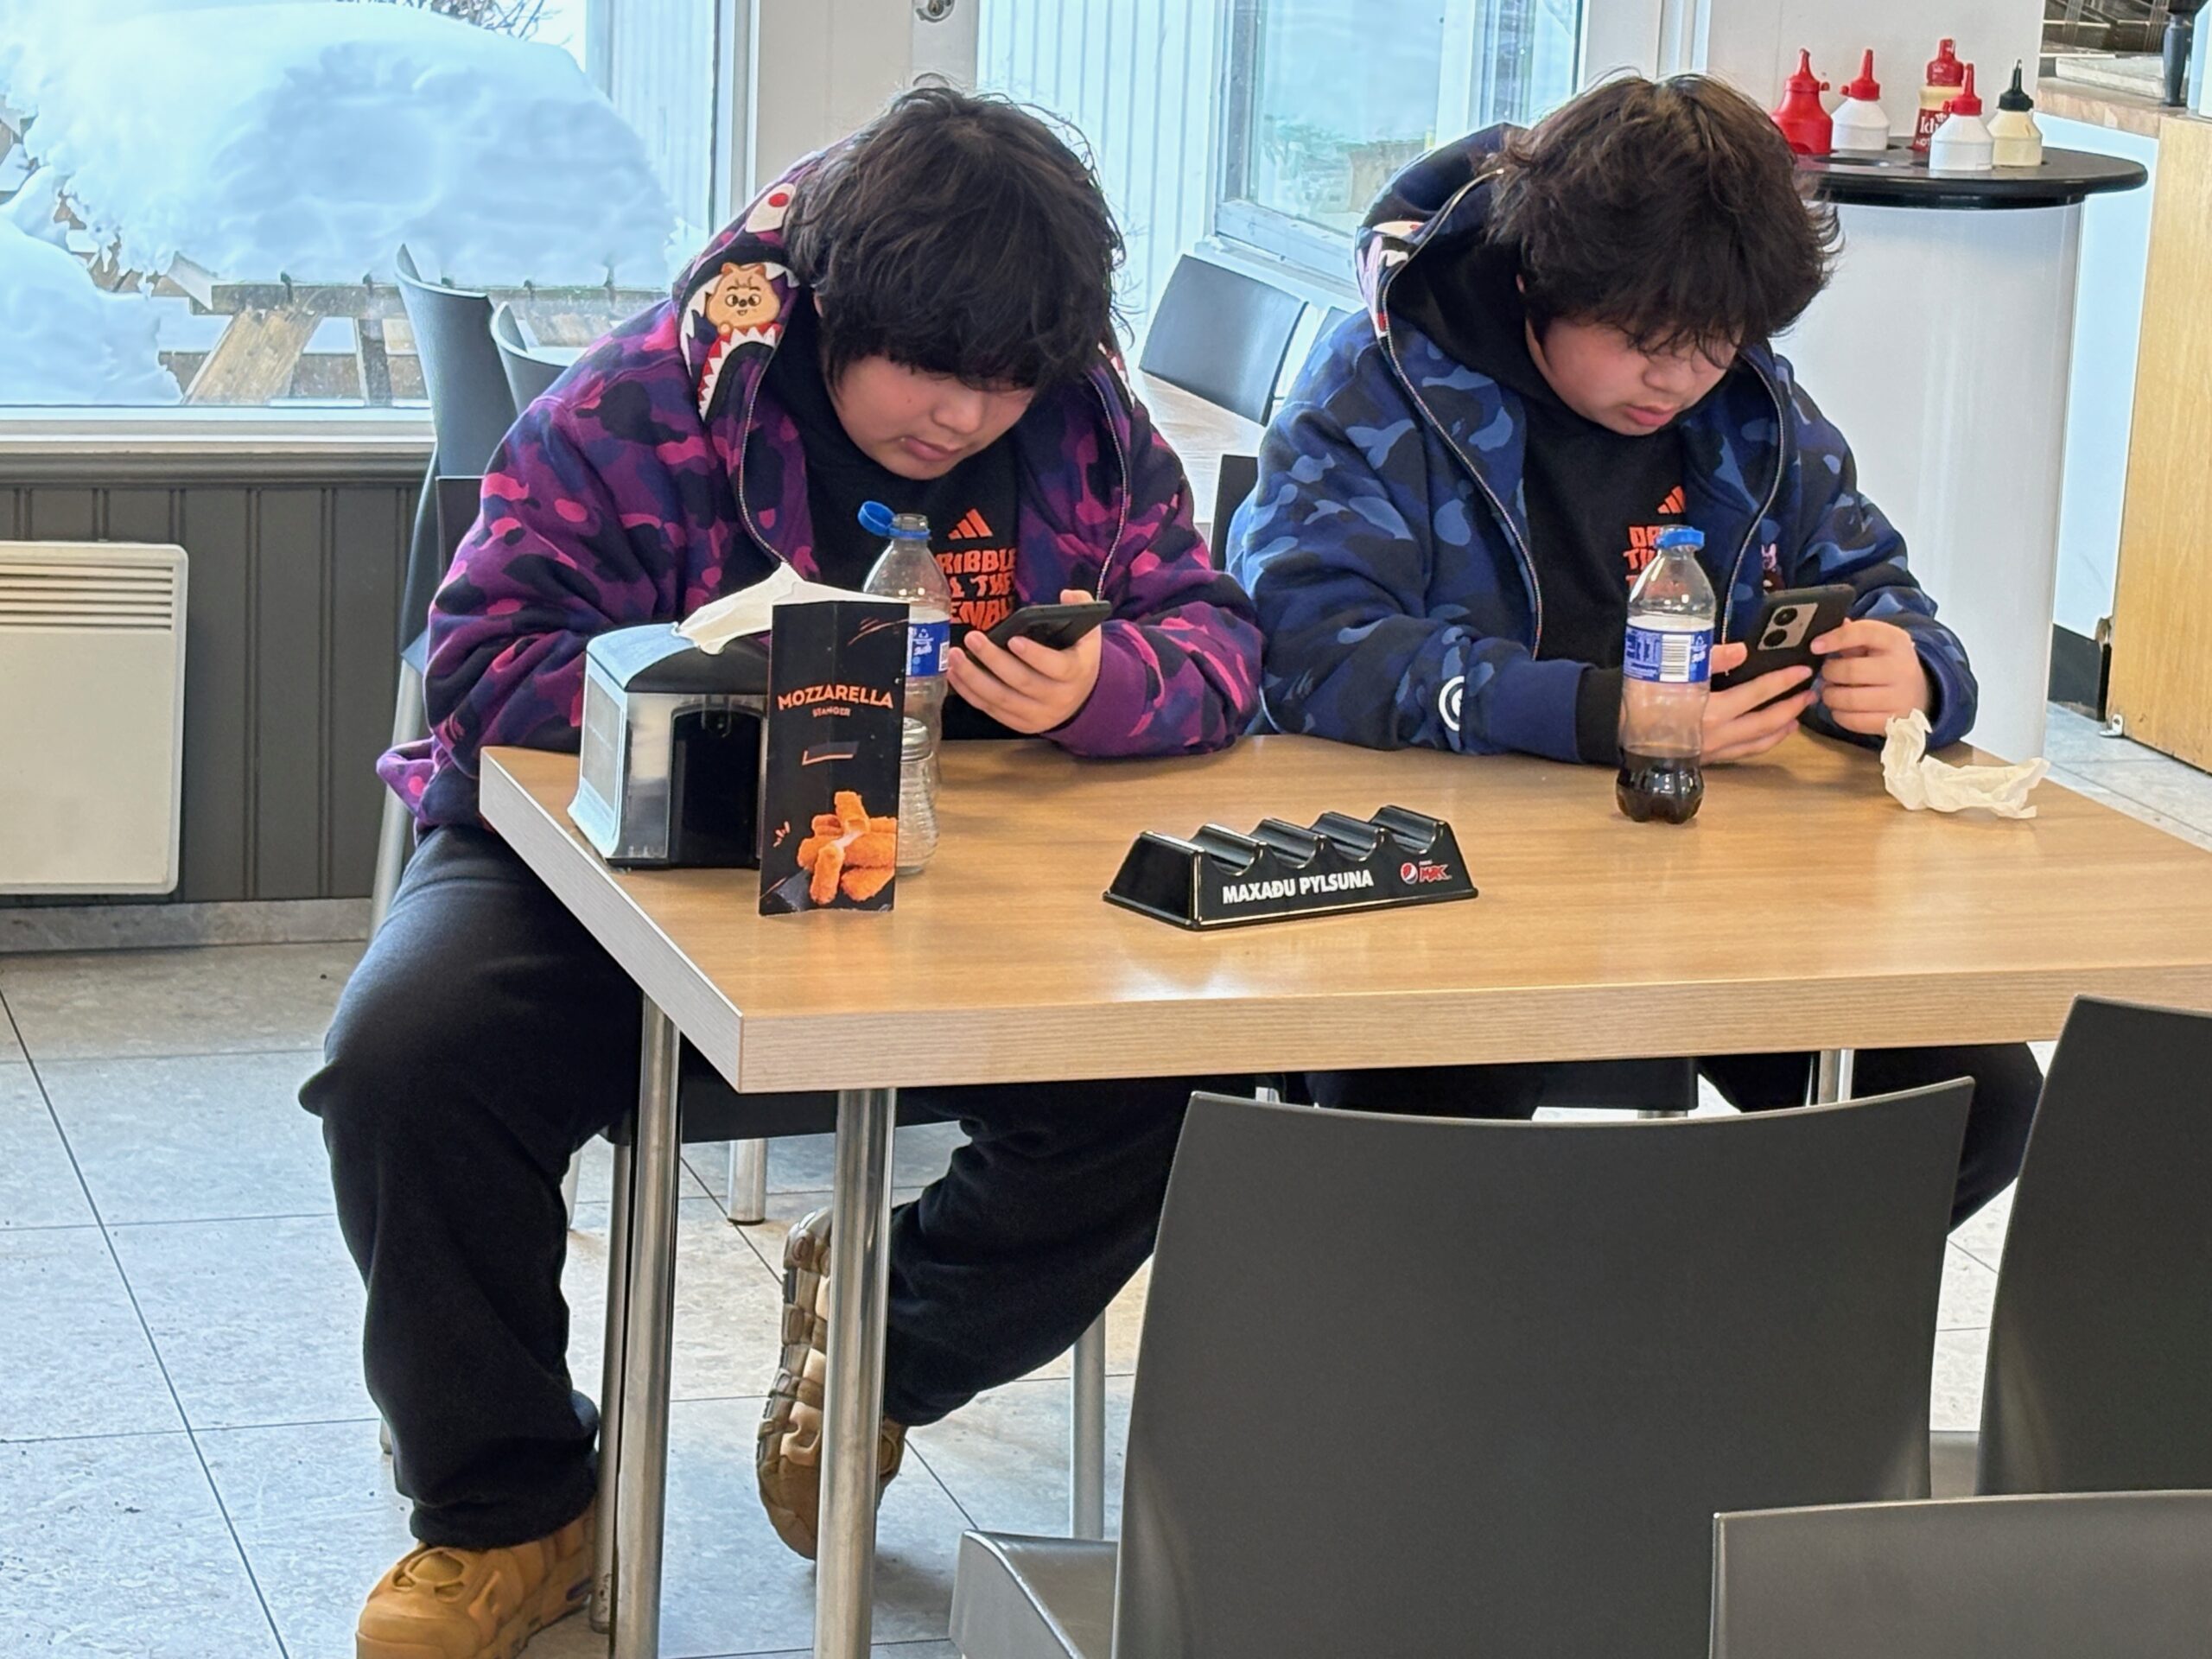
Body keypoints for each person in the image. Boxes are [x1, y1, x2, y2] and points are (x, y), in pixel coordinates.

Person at [305, 87, 1259, 1659]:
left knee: (1182, 1083)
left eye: (1005, 385)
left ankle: (881, 1342)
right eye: (929, 369)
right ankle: (509, 1507)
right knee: (406, 1065)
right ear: (833, 306)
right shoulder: (648, 402)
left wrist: (1112, 685)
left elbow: (1219, 634)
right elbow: (478, 658)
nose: (962, 418)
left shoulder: (1087, 426)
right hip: (620, 855)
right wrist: (723, 700)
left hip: (968, 874)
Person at [1227, 73, 2037, 1224]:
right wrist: (1600, 714)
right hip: (1442, 895)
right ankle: (1551, 1321)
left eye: (1713, 345)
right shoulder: (1380, 386)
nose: (1678, 378)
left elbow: (1873, 580)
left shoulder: (1748, 407)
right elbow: (1308, 646)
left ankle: (1693, 1320)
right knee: (1424, 1146)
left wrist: (1918, 674)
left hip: (1717, 891)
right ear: (1540, 281)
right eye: (1644, 343)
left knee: (1973, 1101)